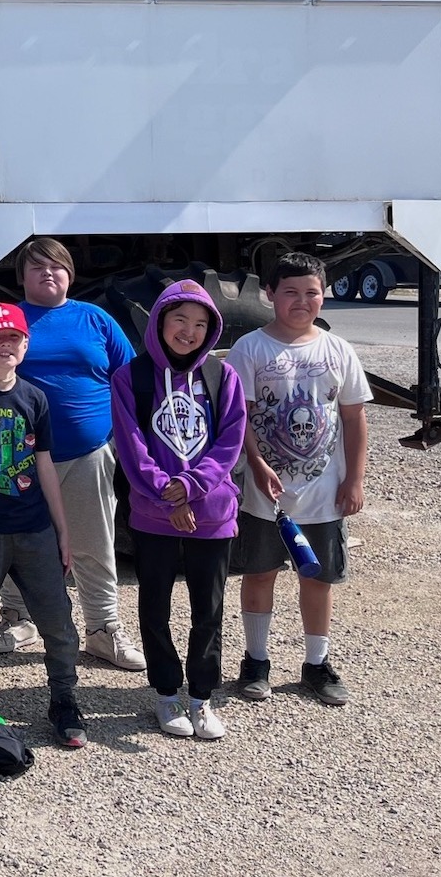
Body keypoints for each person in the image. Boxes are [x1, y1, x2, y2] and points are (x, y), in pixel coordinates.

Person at [0, 237, 145, 672]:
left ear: (70, 274)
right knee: (17, 542)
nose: (47, 273)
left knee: (93, 542)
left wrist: (121, 438)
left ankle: (102, 629)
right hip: (17, 455)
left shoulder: (95, 318)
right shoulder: (9, 321)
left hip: (87, 453)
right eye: (36, 267)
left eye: (56, 266)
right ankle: (18, 619)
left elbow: (129, 380)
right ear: (21, 278)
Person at [227, 252, 371, 707]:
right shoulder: (250, 348)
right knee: (260, 573)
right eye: (289, 291)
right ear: (269, 294)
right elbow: (240, 418)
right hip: (264, 495)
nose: (301, 301)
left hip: (324, 493)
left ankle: (316, 663)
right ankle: (256, 660)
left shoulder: (338, 349)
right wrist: (254, 462)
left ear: (323, 295)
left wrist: (355, 480)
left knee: (319, 579)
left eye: (311, 292)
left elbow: (353, 418)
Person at [0, 302, 87, 748]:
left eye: (15, 338)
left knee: (58, 621)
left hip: (34, 530)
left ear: (25, 345)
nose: (6, 345)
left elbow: (44, 467)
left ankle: (64, 699)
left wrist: (62, 532)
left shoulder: (35, 398)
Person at [109, 281, 247, 740]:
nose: (188, 331)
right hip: (154, 513)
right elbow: (131, 445)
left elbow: (230, 440)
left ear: (211, 329)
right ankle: (167, 694)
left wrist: (190, 487)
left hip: (212, 512)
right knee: (155, 607)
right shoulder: (132, 377)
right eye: (179, 320)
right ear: (160, 322)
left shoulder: (222, 376)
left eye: (200, 323)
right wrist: (165, 494)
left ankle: (201, 697)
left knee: (208, 610)